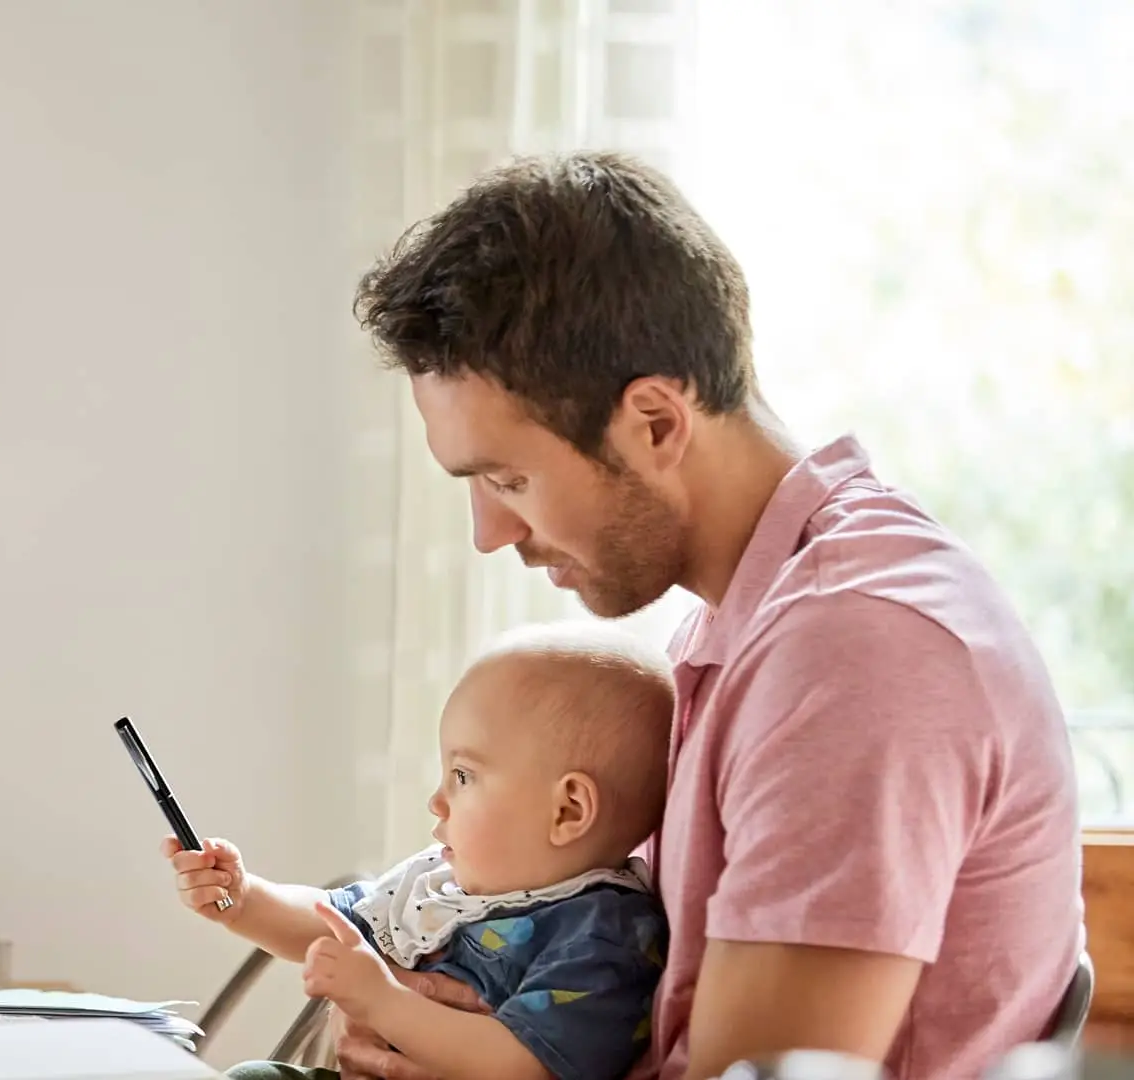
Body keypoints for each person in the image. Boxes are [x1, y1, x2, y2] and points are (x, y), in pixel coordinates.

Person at [333, 150, 1082, 1080]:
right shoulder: (751, 624)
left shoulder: (855, 652)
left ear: (654, 422)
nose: (491, 533)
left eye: (509, 478)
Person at [168, 623, 675, 1080]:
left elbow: (522, 1062)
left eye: (462, 775)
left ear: (567, 810)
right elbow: (332, 923)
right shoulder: (445, 880)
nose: (437, 800)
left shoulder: (605, 938)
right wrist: (243, 897)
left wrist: (384, 1002)